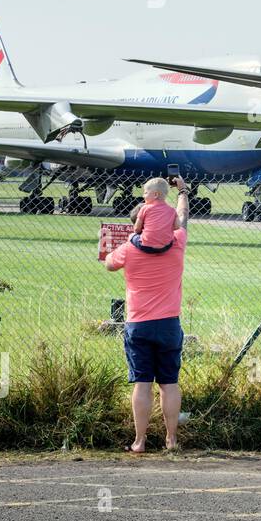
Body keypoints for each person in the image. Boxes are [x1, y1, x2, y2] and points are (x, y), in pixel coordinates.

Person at [103, 175, 191, 452]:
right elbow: (183, 217)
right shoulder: (177, 243)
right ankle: (171, 439)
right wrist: (182, 191)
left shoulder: (129, 249)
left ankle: (139, 441)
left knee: (142, 383)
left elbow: (108, 264)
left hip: (138, 323)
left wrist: (129, 240)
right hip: (168, 324)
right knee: (169, 383)